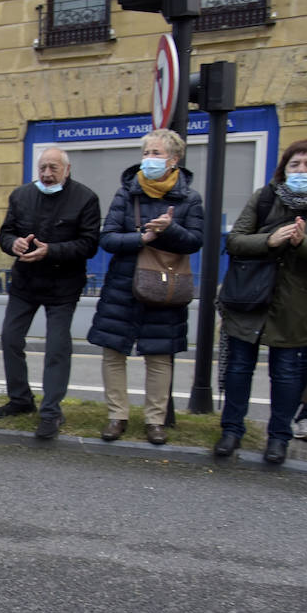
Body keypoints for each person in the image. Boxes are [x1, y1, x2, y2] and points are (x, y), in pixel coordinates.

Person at [88, 128, 204, 446]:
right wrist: (142, 238)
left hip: (164, 286)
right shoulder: (127, 193)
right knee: (113, 351)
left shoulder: (190, 197)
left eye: (156, 153)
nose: (149, 159)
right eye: (146, 153)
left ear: (174, 159)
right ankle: (117, 416)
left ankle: (155, 421)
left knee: (159, 355)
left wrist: (170, 230)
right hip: (123, 284)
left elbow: (196, 241)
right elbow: (108, 237)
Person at [213, 139, 307, 465]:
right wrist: (269, 240)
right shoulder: (266, 197)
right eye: (295, 164)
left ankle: (279, 438)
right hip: (250, 300)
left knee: (286, 375)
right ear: (283, 169)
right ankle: (231, 431)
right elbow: (237, 240)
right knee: (240, 369)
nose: (301, 170)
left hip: (296, 307)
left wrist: (303, 243)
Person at [0, 146, 101, 439]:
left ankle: (51, 412)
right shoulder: (21, 196)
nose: (47, 173)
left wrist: (51, 251)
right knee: (10, 338)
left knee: (56, 348)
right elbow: (5, 233)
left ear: (67, 170)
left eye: (53, 167)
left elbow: (89, 244)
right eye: (42, 167)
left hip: (63, 287)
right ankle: (21, 399)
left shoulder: (86, 198)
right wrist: (12, 243)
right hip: (25, 283)